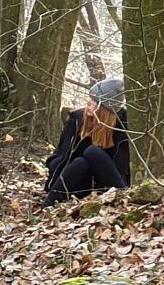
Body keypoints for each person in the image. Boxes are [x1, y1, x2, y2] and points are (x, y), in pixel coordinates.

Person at [45, 78, 132, 206]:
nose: (89, 102)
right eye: (91, 98)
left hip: (105, 185)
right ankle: (48, 204)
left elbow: (121, 168)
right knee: (81, 162)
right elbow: (60, 156)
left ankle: (122, 195)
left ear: (106, 109)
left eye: (96, 101)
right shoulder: (77, 120)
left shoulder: (121, 127)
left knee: (92, 152)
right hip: (75, 180)